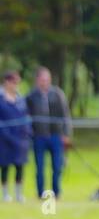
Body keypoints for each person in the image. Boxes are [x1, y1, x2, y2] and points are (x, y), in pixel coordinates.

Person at [25, 67, 72, 200]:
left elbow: (65, 115)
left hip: (56, 136)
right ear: (37, 80)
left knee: (57, 166)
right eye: (42, 79)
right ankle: (41, 193)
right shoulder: (31, 96)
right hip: (39, 137)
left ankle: (56, 192)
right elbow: (26, 116)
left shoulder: (57, 94)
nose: (44, 82)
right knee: (39, 168)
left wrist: (67, 134)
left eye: (47, 79)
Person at [0, 70, 31, 202]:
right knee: (5, 166)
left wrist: (27, 133)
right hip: (4, 139)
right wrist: (7, 135)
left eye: (18, 82)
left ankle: (19, 194)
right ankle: (6, 194)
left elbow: (26, 117)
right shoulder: (1, 99)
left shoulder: (21, 99)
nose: (16, 85)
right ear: (7, 82)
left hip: (20, 139)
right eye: (14, 82)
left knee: (20, 166)